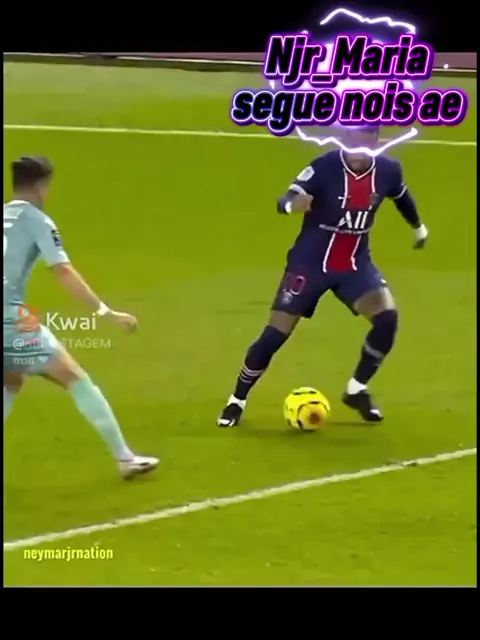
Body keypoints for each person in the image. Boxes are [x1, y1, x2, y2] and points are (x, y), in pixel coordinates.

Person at [218, 126, 428, 427]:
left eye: (364, 143)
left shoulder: (388, 170)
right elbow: (287, 197)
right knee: (275, 335)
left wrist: (418, 227)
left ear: (375, 142)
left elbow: (401, 196)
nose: (357, 150)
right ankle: (236, 400)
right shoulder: (324, 167)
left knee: (387, 318)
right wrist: (291, 205)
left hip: (355, 265)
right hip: (309, 266)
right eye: (351, 142)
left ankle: (356, 389)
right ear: (343, 140)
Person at [3, 156, 158, 479]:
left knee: (11, 378)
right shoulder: (38, 221)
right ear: (42, 185)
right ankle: (125, 458)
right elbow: (62, 270)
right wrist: (105, 311)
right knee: (74, 377)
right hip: (9, 319)